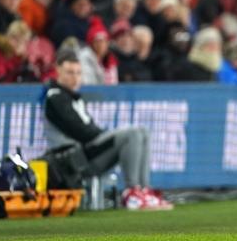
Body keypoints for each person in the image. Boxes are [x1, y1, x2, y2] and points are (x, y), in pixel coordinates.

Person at [43, 50, 172, 210]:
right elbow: (81, 132)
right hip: (71, 160)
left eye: (78, 73)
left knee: (142, 131)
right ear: (58, 71)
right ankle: (131, 191)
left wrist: (106, 135)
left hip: (84, 153)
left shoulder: (72, 98)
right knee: (131, 134)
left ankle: (144, 190)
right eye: (70, 72)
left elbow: (87, 130)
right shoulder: (56, 97)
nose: (75, 78)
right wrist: (107, 135)